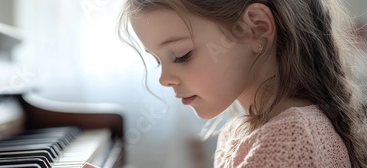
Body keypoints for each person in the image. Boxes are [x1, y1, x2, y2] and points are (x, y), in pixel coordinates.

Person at [115, 0, 367, 167]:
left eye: (181, 55)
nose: (164, 79)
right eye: (158, 61)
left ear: (256, 27)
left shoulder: (290, 139)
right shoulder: (247, 131)